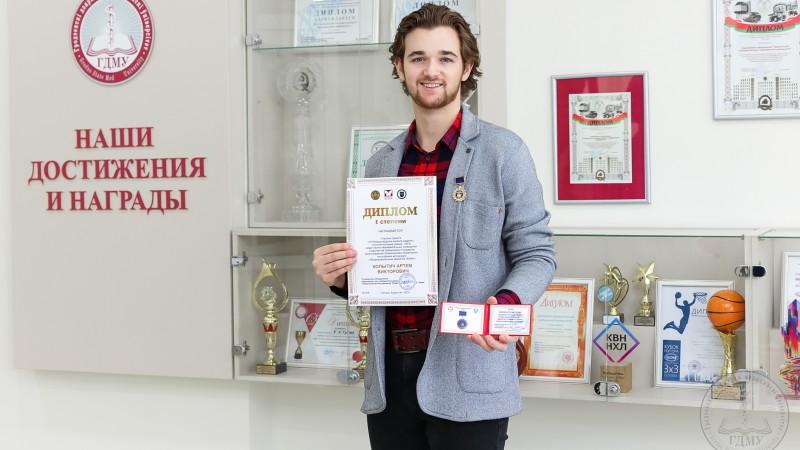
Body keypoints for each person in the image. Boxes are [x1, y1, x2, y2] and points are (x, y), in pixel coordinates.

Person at [311, 4, 556, 449]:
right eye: (418, 58)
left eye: (445, 57)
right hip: (390, 377)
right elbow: (380, 269)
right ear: (399, 67)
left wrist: (503, 305)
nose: (431, 70)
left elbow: (537, 254)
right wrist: (343, 278)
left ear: (467, 67)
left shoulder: (504, 152)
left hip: (469, 372)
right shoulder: (380, 163)